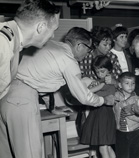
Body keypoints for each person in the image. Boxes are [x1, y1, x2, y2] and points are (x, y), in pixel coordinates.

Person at [0, 27, 114, 158]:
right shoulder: (69, 60)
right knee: (30, 153)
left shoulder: (49, 45)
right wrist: (104, 100)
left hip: (6, 94)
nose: (88, 53)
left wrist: (52, 108)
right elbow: (83, 96)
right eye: (88, 49)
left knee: (6, 153)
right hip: (22, 100)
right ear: (79, 46)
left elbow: (40, 80)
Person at [0, 0, 60, 99]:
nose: (52, 36)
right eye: (53, 30)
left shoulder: (11, 41)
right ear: (41, 27)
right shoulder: (3, 44)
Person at [81, 55, 116, 158]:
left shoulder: (106, 82)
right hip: (104, 114)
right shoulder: (105, 81)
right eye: (97, 72)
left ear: (109, 70)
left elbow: (87, 92)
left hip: (102, 114)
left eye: (102, 71)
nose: (99, 74)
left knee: (102, 147)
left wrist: (96, 85)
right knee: (108, 147)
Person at [113, 72, 139, 158]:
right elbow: (114, 111)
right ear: (120, 84)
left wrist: (129, 114)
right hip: (120, 131)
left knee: (134, 154)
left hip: (134, 131)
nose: (130, 86)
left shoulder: (136, 99)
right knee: (121, 154)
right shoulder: (116, 96)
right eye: (127, 83)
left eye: (133, 83)